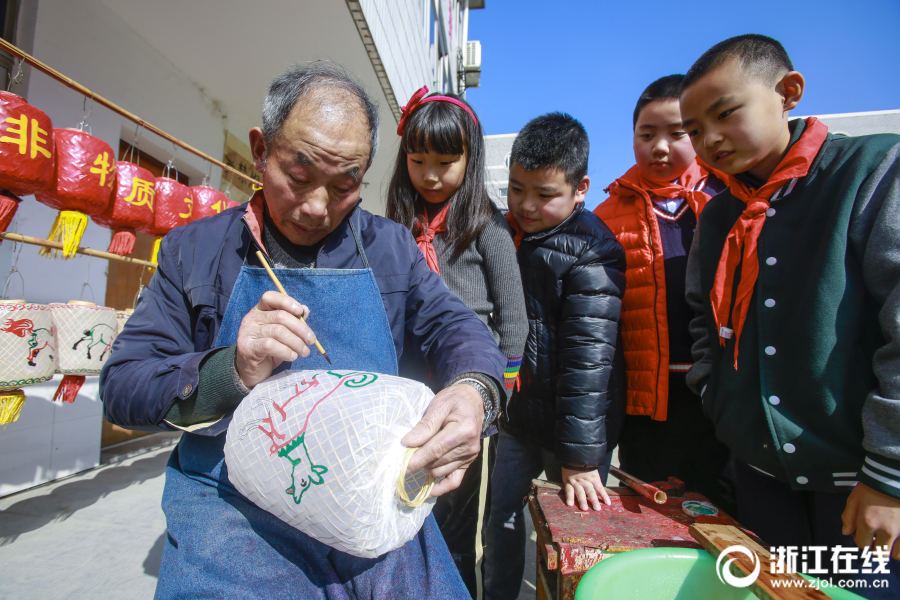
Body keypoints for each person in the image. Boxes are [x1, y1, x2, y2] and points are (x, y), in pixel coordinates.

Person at [100, 63, 508, 600]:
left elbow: (458, 327)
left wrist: (475, 390)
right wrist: (231, 369)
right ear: (261, 149)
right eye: (298, 175)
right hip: (232, 499)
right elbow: (123, 383)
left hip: (366, 494)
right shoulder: (195, 251)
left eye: (344, 185)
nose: (316, 208)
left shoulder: (391, 248)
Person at [680, 34, 900, 594]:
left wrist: (890, 474)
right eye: (696, 130)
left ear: (788, 92)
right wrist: (719, 398)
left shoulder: (872, 172)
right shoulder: (719, 214)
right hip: (759, 479)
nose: (710, 139)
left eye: (726, 114)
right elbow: (704, 321)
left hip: (859, 486)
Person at [385, 86, 528, 597]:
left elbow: (514, 322)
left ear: (471, 158)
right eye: (418, 160)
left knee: (461, 526)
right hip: (407, 398)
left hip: (468, 400)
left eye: (446, 162)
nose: (430, 174)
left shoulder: (486, 229)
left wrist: (497, 397)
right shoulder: (393, 230)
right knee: (404, 511)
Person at [483, 113, 626, 600]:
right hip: (518, 421)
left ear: (581, 188)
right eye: (517, 189)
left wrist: (582, 459)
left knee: (577, 541)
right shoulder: (504, 236)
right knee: (499, 519)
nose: (525, 205)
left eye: (544, 195)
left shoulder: (593, 251)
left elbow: (590, 363)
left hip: (576, 434)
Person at [593, 74, 735, 515]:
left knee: (726, 510)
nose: (660, 147)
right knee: (651, 508)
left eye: (678, 134)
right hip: (646, 398)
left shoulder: (729, 197)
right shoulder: (605, 216)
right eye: (646, 134)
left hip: (722, 389)